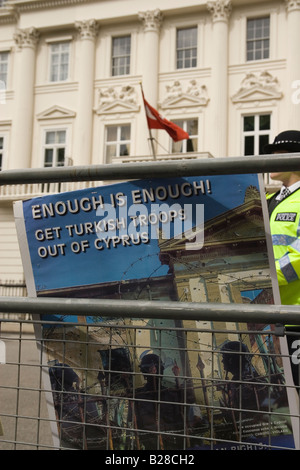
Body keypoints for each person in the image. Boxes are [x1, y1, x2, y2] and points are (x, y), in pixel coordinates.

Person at [264, 130, 300, 388]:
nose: (270, 159)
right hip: (273, 317)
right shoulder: (268, 200)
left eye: (278, 153)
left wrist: (269, 278)